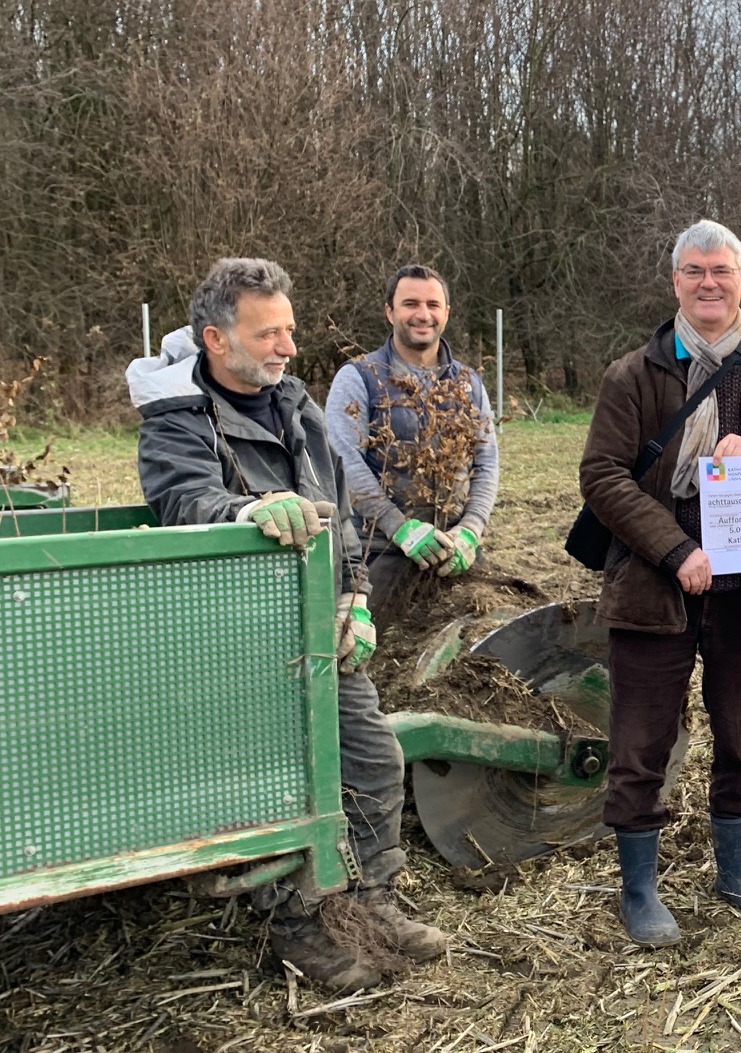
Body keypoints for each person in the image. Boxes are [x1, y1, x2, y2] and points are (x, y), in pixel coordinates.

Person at [128, 257, 448, 992]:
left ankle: (371, 901)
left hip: (317, 629)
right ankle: (299, 923)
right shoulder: (178, 420)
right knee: (277, 783)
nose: (287, 347)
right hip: (237, 640)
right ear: (216, 339)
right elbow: (184, 500)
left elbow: (342, 518)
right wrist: (247, 511)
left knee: (374, 761)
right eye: (267, 334)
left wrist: (355, 599)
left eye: (290, 330)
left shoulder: (298, 406)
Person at [578, 220, 741, 944]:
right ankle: (639, 890)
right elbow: (602, 475)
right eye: (694, 271)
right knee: (640, 746)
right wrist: (675, 550)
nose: (708, 283)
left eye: (721, 271)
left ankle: (737, 874)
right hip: (653, 589)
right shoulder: (633, 375)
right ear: (676, 283)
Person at [326, 265, 499, 621]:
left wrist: (471, 529)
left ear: (446, 313)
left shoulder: (468, 383)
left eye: (433, 305)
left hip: (453, 552)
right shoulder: (360, 378)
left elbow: (486, 463)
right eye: (410, 304)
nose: (423, 314)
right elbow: (345, 464)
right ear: (390, 312)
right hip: (381, 551)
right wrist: (398, 526)